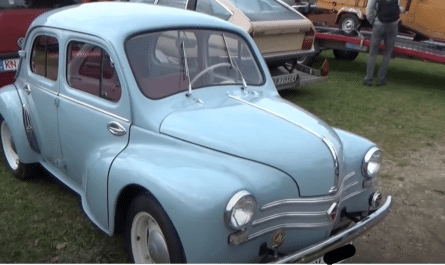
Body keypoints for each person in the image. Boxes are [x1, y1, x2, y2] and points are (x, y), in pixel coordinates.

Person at [363, 0, 404, 86]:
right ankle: (381, 79)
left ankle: (368, 79)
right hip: (393, 25)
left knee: (373, 53)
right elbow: (399, 8)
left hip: (379, 24)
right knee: (387, 53)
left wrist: (372, 21)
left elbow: (370, 9)